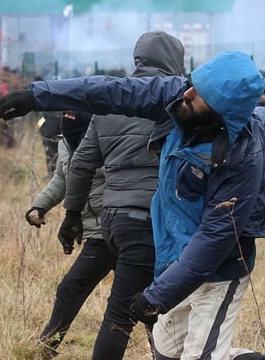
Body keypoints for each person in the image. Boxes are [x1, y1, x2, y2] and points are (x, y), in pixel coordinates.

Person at [0, 50, 265, 360]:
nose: (186, 94)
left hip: (220, 269)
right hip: (174, 258)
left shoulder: (243, 158)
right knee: (164, 350)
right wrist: (38, 95)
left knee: (199, 358)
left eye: (198, 94)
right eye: (192, 84)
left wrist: (158, 295)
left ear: (220, 111)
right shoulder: (178, 95)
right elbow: (112, 91)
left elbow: (215, 237)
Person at [59, 30, 184, 359]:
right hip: (153, 222)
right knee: (123, 317)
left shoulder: (110, 105)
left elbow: (80, 165)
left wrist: (72, 215)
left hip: (112, 220)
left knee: (150, 310)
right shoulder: (178, 104)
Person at [25, 111, 115, 359]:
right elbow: (63, 177)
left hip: (113, 228)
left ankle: (46, 348)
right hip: (94, 229)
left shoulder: (107, 135)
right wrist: (40, 205)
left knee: (72, 288)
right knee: (138, 296)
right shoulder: (66, 139)